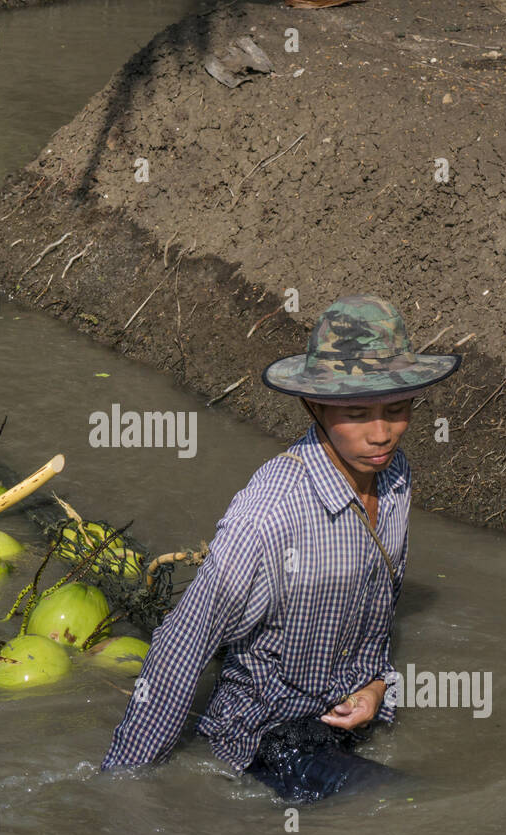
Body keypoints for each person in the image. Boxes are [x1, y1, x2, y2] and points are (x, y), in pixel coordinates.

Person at [100, 294, 462, 802]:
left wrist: (379, 688)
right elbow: (181, 649)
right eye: (357, 413)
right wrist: (121, 788)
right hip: (268, 735)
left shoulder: (395, 477)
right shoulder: (269, 516)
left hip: (348, 717)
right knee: (413, 810)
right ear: (313, 405)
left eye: (397, 409)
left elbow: (377, 611)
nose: (382, 434)